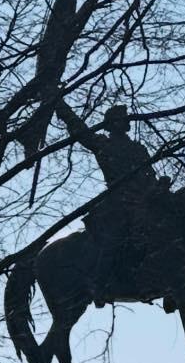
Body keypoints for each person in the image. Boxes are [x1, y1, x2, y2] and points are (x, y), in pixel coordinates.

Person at [57, 100, 169, 303]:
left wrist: (159, 187)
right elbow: (80, 130)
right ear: (111, 124)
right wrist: (60, 105)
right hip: (118, 204)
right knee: (113, 239)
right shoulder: (103, 145)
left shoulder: (138, 148)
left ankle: (173, 284)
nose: (123, 123)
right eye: (118, 119)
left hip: (145, 202)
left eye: (124, 119)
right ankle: (100, 286)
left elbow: (148, 176)